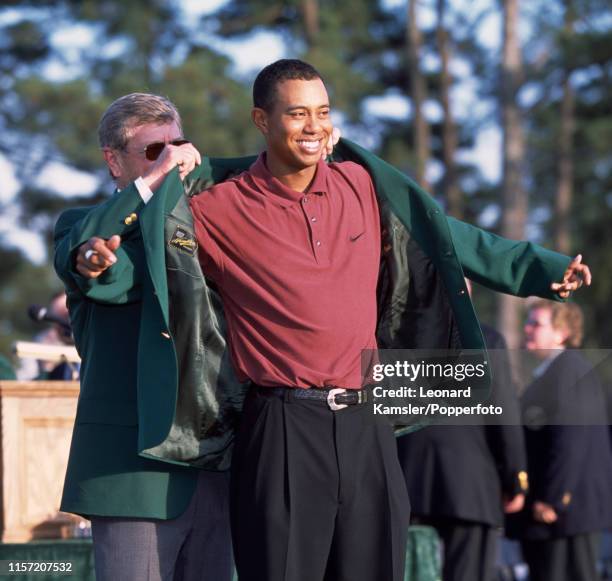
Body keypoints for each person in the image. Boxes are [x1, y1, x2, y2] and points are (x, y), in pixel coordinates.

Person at [58, 60, 591, 581]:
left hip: (368, 422)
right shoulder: (214, 208)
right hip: (281, 425)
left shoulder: (361, 184)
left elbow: (444, 235)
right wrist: (98, 258)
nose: (313, 125)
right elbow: (141, 271)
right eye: (296, 114)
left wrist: (538, 269)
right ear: (262, 122)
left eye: (323, 112)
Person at [54, 91, 337, 581]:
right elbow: (94, 263)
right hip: (133, 473)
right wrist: (153, 182)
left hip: (216, 467)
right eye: (152, 151)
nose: (172, 159)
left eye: (178, 146)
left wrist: (307, 145)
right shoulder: (84, 225)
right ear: (114, 162)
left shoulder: (213, 223)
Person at [397, 280, 528, 581]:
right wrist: (515, 479)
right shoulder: (487, 340)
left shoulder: (401, 337)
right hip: (469, 486)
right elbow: (504, 416)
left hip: (409, 480)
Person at [506, 301, 612, 581]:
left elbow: (570, 439)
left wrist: (553, 499)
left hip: (563, 516)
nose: (527, 329)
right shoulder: (556, 372)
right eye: (528, 322)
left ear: (561, 332)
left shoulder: (567, 371)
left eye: (536, 324)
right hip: (558, 515)